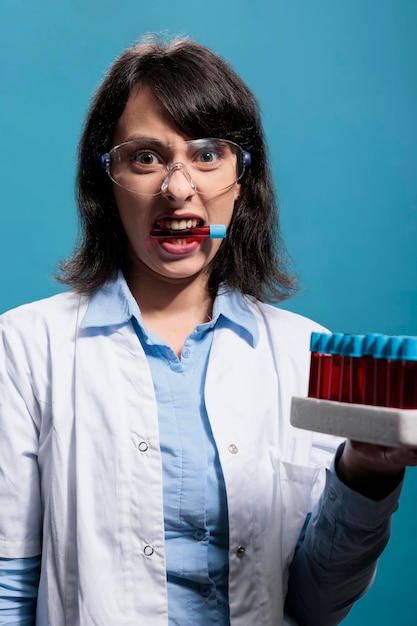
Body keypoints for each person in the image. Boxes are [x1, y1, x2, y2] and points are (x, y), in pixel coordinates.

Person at [0, 35, 416, 626]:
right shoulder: (23, 348)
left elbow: (317, 603)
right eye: (145, 157)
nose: (177, 187)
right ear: (107, 183)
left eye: (207, 155)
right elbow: (9, 590)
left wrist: (368, 472)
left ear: (242, 180)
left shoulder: (305, 354)